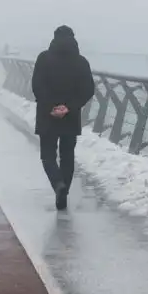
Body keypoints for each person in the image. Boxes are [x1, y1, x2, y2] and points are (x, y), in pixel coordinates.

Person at [31, 25, 96, 210]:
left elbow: (37, 85)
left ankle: (57, 184)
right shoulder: (81, 61)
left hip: (47, 115)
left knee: (48, 156)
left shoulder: (44, 58)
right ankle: (64, 194)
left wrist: (51, 106)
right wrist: (69, 107)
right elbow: (88, 89)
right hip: (71, 116)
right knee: (67, 156)